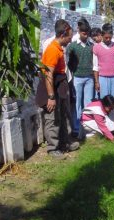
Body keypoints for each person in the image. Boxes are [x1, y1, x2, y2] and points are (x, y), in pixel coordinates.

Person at [36, 19, 79, 158]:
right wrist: (51, 97)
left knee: (63, 116)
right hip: (52, 89)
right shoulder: (53, 49)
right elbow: (48, 74)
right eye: (69, 37)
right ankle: (52, 148)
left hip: (59, 86)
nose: (70, 40)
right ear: (62, 35)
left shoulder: (59, 48)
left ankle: (65, 143)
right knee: (52, 118)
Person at [67, 21, 94, 136]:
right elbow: (67, 61)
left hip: (89, 77)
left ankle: (87, 127)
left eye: (87, 33)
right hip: (77, 77)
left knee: (88, 103)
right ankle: (77, 128)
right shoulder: (72, 46)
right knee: (77, 103)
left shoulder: (91, 45)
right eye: (84, 33)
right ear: (79, 32)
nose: (86, 35)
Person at [93, 23, 114, 98]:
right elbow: (95, 66)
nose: (108, 39)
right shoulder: (96, 48)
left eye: (110, 37)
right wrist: (97, 82)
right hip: (102, 78)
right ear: (101, 36)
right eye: (106, 38)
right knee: (104, 100)